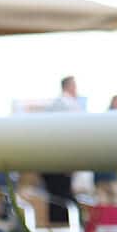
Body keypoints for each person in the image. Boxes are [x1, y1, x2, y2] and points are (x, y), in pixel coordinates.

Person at [41, 76, 83, 223]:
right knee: (63, 202)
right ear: (70, 86)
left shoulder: (55, 105)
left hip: (50, 163)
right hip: (60, 163)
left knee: (56, 201)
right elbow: (71, 136)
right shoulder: (69, 105)